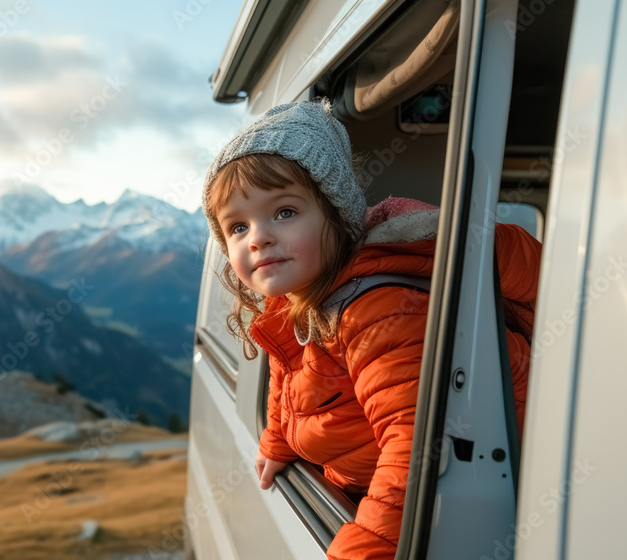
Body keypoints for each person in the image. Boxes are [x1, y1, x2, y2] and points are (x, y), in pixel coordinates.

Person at [200, 100, 540, 560]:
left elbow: (417, 445)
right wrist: (278, 441)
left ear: (337, 216)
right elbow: (290, 372)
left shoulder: (377, 310)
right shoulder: (297, 298)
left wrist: (368, 549)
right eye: (237, 226)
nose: (257, 237)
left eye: (284, 212)